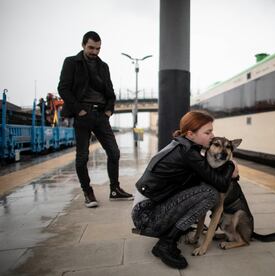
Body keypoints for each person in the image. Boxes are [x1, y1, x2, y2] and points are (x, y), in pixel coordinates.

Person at [131, 110, 238, 269]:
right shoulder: (189, 153)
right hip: (147, 217)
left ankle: (174, 234)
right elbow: (221, 185)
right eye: (207, 132)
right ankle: (165, 244)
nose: (212, 135)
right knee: (210, 194)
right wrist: (230, 165)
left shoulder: (182, 145)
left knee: (201, 190)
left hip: (145, 211)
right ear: (191, 134)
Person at [58, 31, 133, 208]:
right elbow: (63, 88)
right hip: (83, 115)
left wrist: (108, 111)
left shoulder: (103, 66)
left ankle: (115, 190)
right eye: (91, 48)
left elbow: (111, 92)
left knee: (114, 152)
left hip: (101, 116)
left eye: (98, 48)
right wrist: (79, 110)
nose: (94, 52)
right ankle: (88, 193)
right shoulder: (71, 62)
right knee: (82, 157)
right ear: (83, 45)